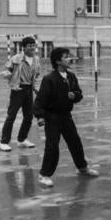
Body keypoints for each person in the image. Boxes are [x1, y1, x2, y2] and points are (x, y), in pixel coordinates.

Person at [33, 47, 99, 187]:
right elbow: (40, 99)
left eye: (69, 56)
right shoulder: (49, 79)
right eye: (66, 57)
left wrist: (74, 96)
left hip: (66, 115)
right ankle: (44, 175)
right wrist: (40, 116)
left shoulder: (71, 76)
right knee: (52, 146)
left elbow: (78, 93)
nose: (69, 59)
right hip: (52, 117)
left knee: (75, 141)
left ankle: (82, 168)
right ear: (58, 61)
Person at [0, 36, 41, 152]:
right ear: (24, 47)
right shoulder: (16, 58)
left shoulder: (36, 59)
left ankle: (22, 139)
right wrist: (7, 74)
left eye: (33, 45)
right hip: (17, 89)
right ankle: (3, 142)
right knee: (11, 116)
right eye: (30, 45)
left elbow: (36, 75)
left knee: (28, 116)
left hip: (29, 89)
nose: (32, 48)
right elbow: (6, 69)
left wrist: (36, 87)